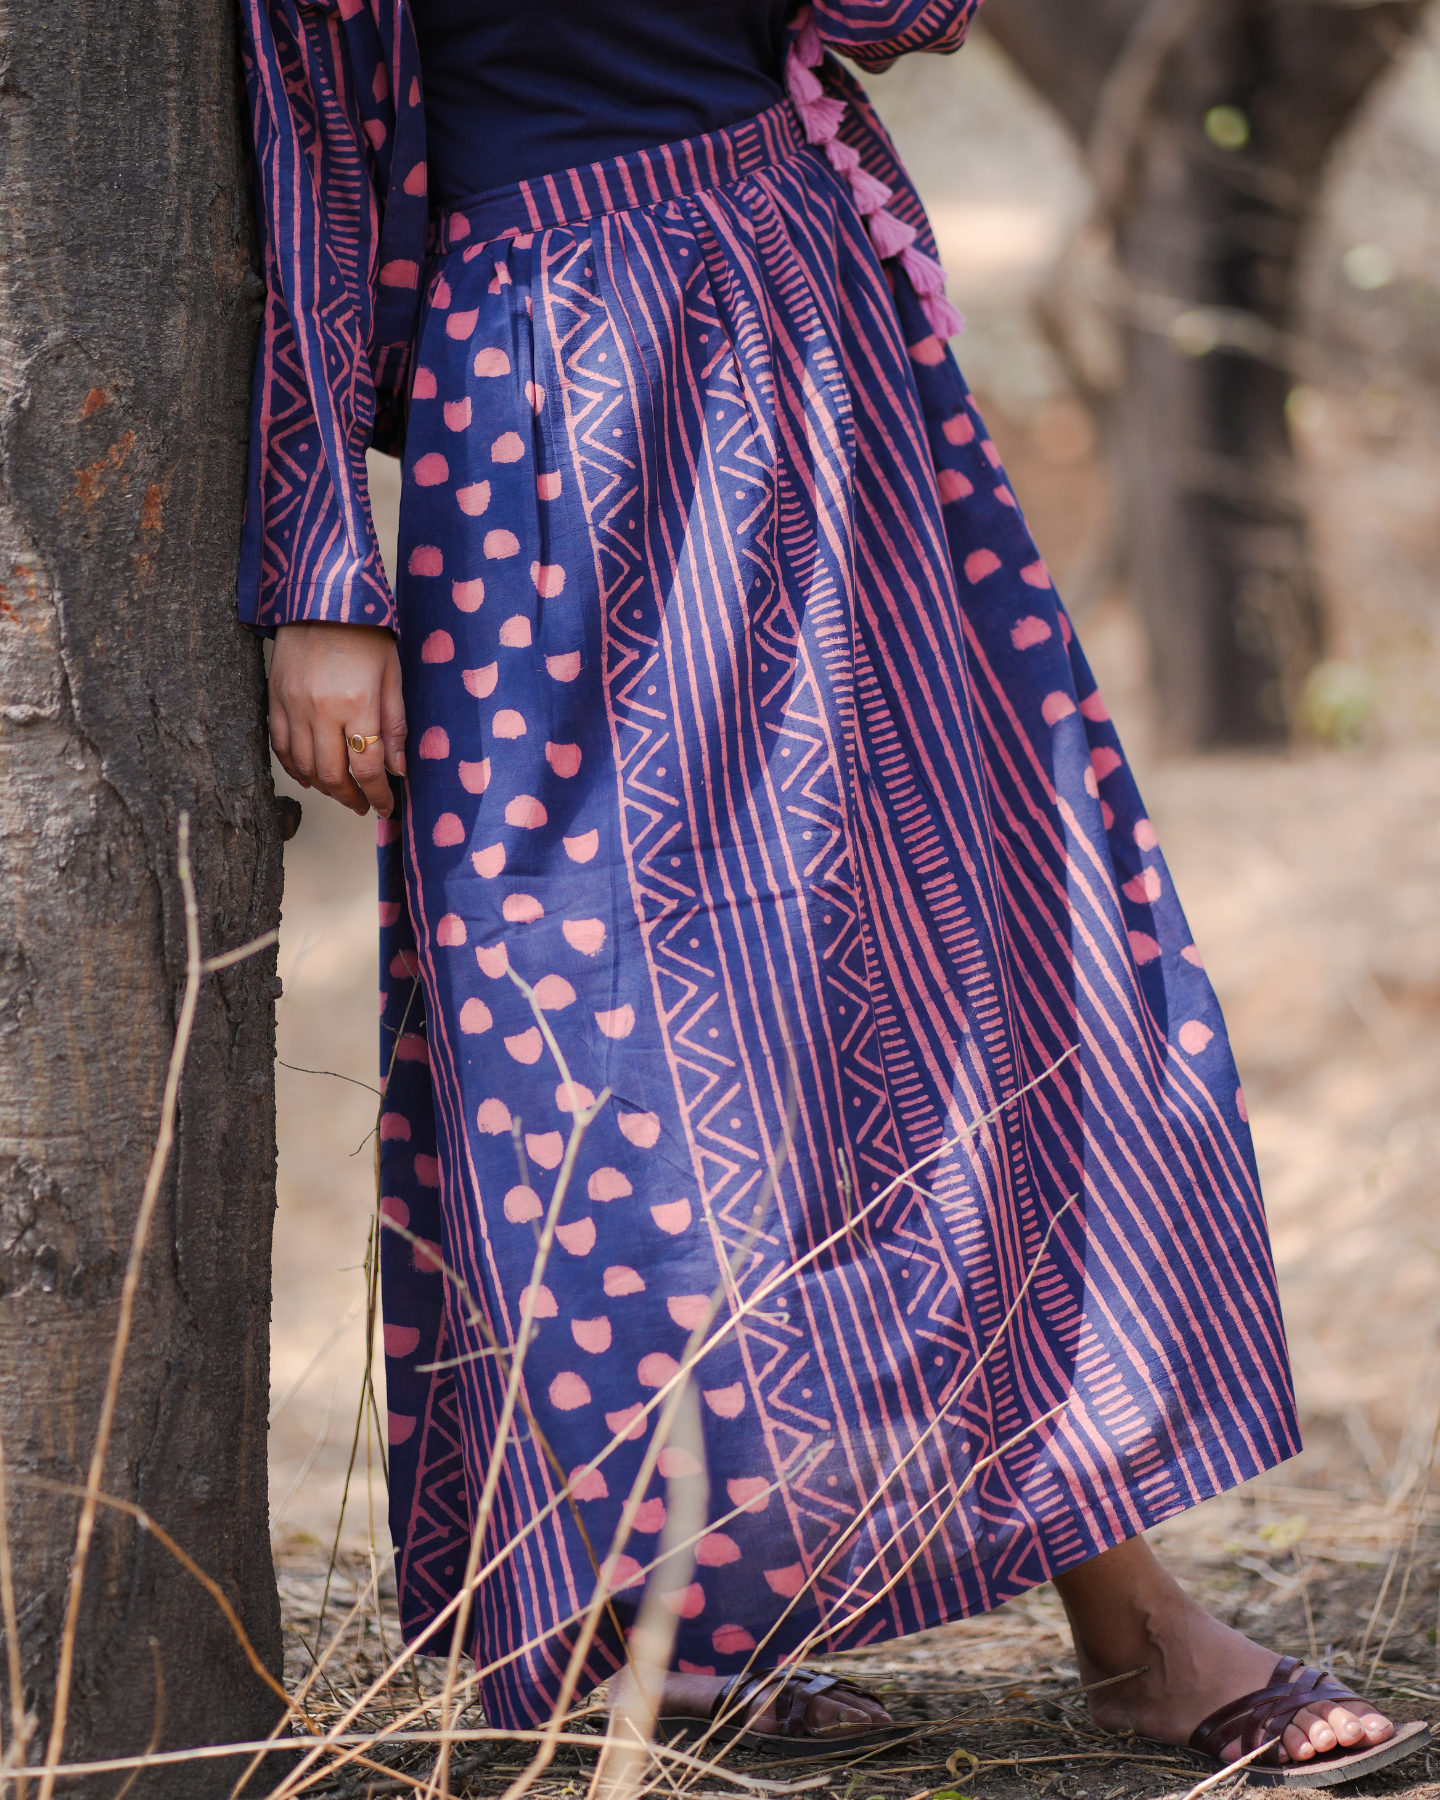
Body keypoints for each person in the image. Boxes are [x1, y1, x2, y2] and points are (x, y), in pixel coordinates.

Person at [242, 0, 1424, 1781]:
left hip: (817, 343)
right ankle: (652, 1633)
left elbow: (901, 12)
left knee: (956, 972)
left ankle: (1133, 1618)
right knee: (610, 1032)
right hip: (559, 414)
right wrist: (320, 570)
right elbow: (310, 164)